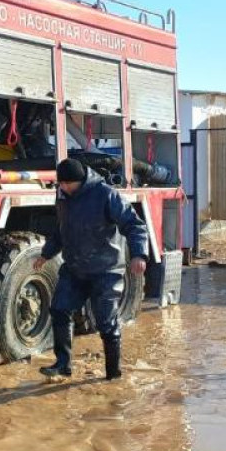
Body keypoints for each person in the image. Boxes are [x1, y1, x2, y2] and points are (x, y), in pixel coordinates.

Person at [34, 158, 148, 380]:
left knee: (106, 323)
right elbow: (62, 230)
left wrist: (138, 255)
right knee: (59, 309)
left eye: (67, 184)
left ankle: (113, 375)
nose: (63, 188)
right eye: (61, 184)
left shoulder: (105, 194)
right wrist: (46, 254)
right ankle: (63, 364)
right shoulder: (63, 196)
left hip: (106, 269)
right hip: (75, 268)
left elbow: (134, 225)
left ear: (80, 181)